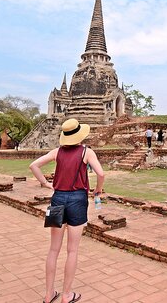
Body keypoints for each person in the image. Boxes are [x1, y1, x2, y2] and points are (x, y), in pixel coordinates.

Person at [30, 118, 105, 303]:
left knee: (53, 250)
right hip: (78, 200)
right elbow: (101, 174)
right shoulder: (86, 152)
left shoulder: (57, 152)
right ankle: (66, 295)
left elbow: (33, 165)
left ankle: (48, 295)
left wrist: (47, 184)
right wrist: (98, 189)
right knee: (72, 250)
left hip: (57, 198)